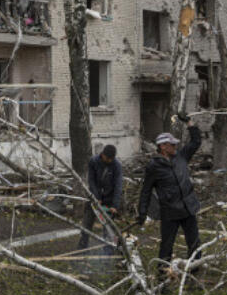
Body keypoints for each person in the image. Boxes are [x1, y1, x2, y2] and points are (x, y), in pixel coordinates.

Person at [137, 114, 203, 272]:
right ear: (163, 147)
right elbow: (146, 190)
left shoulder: (181, 157)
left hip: (188, 208)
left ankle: (193, 274)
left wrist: (189, 123)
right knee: (166, 246)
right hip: (170, 212)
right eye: (172, 145)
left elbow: (196, 142)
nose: (175, 147)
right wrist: (142, 212)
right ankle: (162, 279)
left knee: (195, 244)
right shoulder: (154, 166)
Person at [78, 144, 122, 251]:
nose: (110, 161)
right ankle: (82, 246)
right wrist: (96, 197)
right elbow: (91, 180)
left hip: (109, 198)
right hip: (94, 198)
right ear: (103, 155)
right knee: (87, 222)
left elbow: (118, 186)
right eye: (108, 158)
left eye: (112, 159)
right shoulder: (94, 161)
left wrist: (114, 205)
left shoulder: (116, 165)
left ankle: (107, 248)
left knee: (107, 226)